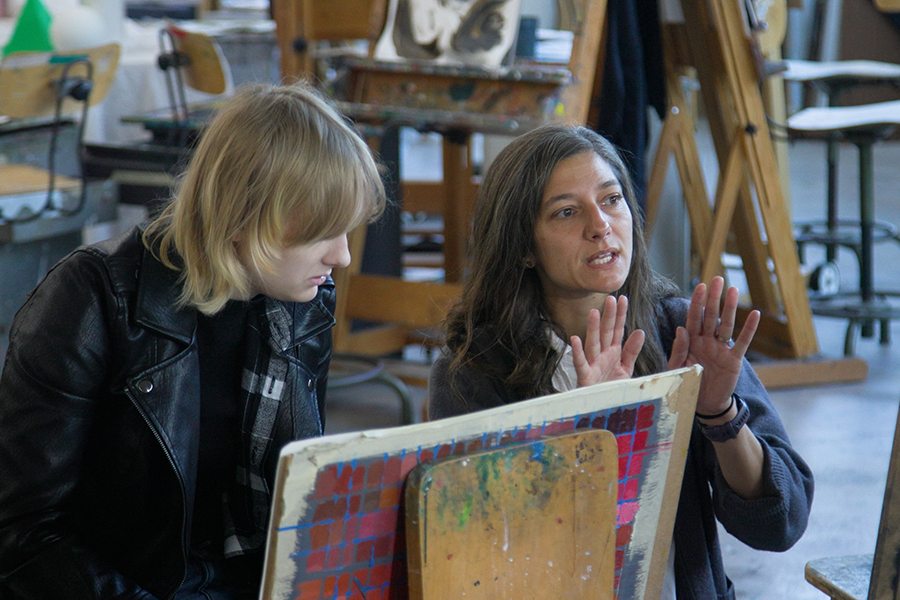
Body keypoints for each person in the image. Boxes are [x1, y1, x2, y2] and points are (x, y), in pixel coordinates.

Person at [0, 82, 385, 598]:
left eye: (348, 230)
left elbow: (297, 499)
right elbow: (22, 535)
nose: (341, 257)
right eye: (321, 231)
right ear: (241, 217)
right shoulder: (92, 298)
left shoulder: (301, 298)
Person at [428, 124, 814, 599]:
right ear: (523, 247)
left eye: (612, 199)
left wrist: (720, 415)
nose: (600, 226)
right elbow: (481, 556)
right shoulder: (473, 368)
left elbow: (781, 524)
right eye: (567, 212)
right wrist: (585, 433)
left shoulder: (681, 331)